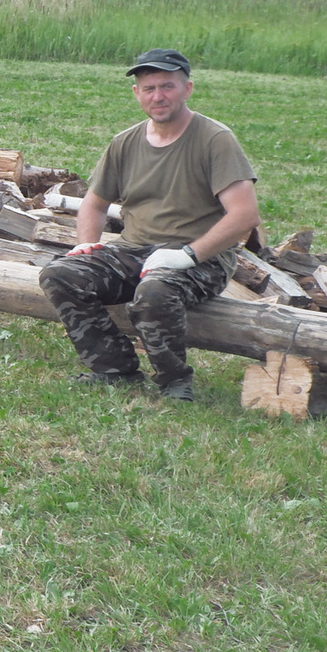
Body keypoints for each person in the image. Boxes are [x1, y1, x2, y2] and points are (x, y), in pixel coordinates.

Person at [37, 49, 260, 402]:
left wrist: (188, 255)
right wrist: (85, 244)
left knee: (155, 291)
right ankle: (115, 370)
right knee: (60, 274)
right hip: (133, 249)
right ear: (137, 94)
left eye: (167, 86)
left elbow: (244, 215)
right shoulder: (124, 143)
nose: (158, 96)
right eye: (149, 88)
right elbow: (94, 204)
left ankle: (175, 381)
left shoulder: (214, 140)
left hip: (201, 259)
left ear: (187, 89)